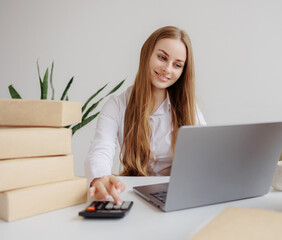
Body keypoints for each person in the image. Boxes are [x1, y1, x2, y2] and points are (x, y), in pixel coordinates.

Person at [84, 26, 206, 205]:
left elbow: (205, 155)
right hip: (133, 193)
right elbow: (101, 149)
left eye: (177, 65)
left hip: (177, 194)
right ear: (147, 54)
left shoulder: (189, 108)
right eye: (162, 57)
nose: (167, 69)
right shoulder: (117, 105)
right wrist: (100, 177)